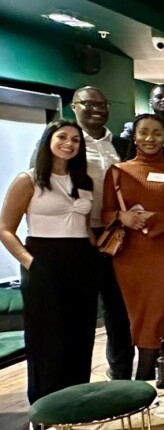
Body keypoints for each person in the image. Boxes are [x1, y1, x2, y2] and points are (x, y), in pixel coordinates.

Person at [0, 121, 98, 402]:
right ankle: (45, 406)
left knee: (81, 334)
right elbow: (5, 228)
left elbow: (84, 227)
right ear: (48, 141)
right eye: (62, 137)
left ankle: (77, 401)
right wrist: (29, 262)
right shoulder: (28, 179)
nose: (69, 143)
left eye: (76, 140)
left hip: (81, 260)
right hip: (43, 259)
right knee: (47, 336)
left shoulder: (83, 181)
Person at [102, 114, 164, 380]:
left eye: (157, 133)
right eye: (144, 132)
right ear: (134, 137)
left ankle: (142, 380)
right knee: (137, 318)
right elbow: (105, 212)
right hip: (129, 257)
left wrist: (156, 218)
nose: (150, 138)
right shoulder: (117, 171)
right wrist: (122, 217)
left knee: (156, 318)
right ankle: (149, 382)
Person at [69, 87, 134, 381]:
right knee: (79, 311)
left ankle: (120, 375)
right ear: (74, 106)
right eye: (89, 103)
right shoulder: (66, 141)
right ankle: (76, 382)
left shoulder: (120, 145)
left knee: (119, 308)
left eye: (103, 103)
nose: (97, 108)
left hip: (116, 235)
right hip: (76, 236)